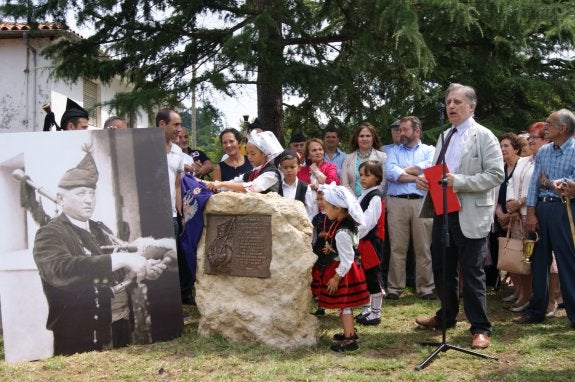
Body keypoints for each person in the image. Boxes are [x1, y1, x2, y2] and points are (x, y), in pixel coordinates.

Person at [32, 148, 163, 355]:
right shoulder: (49, 234)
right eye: (81, 193)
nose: (88, 200)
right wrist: (121, 258)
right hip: (81, 335)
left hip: (120, 324)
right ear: (60, 198)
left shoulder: (100, 229)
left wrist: (142, 269)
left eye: (91, 193)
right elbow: (59, 270)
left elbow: (118, 272)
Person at [415, 83, 504, 350]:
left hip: (471, 212)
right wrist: (426, 181)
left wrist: (460, 181)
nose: (451, 106)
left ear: (471, 106)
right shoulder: (445, 136)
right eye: (448, 102)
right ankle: (446, 317)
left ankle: (480, 328)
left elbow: (496, 175)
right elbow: (439, 172)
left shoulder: (484, 136)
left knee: (471, 271)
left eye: (457, 102)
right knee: (442, 267)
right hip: (444, 209)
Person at [515, 109, 575, 327]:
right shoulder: (544, 152)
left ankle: (573, 313)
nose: (545, 127)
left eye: (549, 123)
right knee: (539, 262)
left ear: (563, 128)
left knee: (567, 262)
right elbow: (533, 186)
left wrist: (554, 183)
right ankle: (536, 310)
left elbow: (571, 186)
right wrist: (531, 213)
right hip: (542, 209)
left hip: (565, 210)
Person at [507, 122, 562, 320]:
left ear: (546, 139)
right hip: (525, 214)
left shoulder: (556, 155)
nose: (529, 141)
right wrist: (512, 203)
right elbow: (516, 183)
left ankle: (553, 299)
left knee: (555, 260)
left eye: (534, 138)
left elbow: (548, 184)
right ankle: (532, 300)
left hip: (551, 211)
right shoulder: (524, 161)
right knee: (532, 260)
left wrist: (523, 202)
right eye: (528, 138)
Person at [385, 116, 435, 301]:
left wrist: (403, 170)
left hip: (422, 202)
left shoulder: (430, 150)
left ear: (417, 131)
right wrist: (416, 177)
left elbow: (429, 167)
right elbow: (390, 172)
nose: (401, 133)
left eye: (405, 130)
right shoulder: (392, 151)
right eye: (400, 130)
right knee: (397, 247)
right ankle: (394, 288)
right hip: (397, 202)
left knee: (423, 248)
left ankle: (426, 288)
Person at [316, 182, 369, 352]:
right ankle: (349, 331)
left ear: (338, 208)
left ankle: (350, 339)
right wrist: (331, 248)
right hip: (345, 268)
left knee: (345, 305)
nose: (325, 210)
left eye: (328, 207)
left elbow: (347, 258)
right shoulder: (344, 223)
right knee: (344, 305)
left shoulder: (342, 232)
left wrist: (336, 277)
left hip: (344, 272)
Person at [155, 108, 194, 305]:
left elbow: (177, 184)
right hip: (152, 213)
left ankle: (179, 297)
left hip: (171, 214)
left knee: (175, 255)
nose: (179, 129)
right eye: (176, 124)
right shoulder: (147, 148)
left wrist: (181, 213)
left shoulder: (178, 152)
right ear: (162, 124)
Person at [489, 133, 522, 291]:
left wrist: (509, 214)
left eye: (506, 146)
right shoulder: (499, 168)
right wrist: (499, 213)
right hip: (499, 215)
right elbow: (492, 192)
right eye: (500, 146)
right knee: (502, 250)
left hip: (517, 216)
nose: (502, 149)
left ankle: (521, 291)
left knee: (518, 252)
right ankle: (510, 288)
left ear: (516, 148)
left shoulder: (522, 165)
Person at [355, 161, 386, 326]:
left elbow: (367, 222)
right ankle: (367, 309)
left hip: (371, 243)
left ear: (378, 177)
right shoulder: (364, 194)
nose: (363, 178)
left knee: (373, 276)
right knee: (364, 276)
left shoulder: (375, 197)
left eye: (367, 175)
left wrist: (355, 235)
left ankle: (375, 313)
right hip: (363, 242)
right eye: (361, 175)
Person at [205, 130, 283, 194]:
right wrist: (199, 181)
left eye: (253, 154)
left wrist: (222, 183)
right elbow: (234, 182)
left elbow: (252, 186)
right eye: (247, 153)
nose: (249, 157)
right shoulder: (253, 172)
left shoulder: (271, 174)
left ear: (265, 153)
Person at [341, 122, 387, 198]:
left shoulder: (382, 157)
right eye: (361, 136)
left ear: (373, 138)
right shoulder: (348, 158)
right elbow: (344, 184)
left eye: (368, 136)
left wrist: (371, 198)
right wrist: (355, 202)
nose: (365, 139)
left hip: (374, 200)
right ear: (357, 138)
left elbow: (383, 183)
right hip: (353, 203)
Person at [310, 189, 334, 316]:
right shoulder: (317, 218)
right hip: (319, 250)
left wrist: (329, 235)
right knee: (319, 276)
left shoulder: (334, 215)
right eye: (318, 199)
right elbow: (315, 235)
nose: (320, 202)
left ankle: (335, 302)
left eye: (322, 199)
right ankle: (320, 305)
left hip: (332, 251)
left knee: (329, 276)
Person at [278, 151, 316, 219]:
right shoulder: (277, 187)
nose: (289, 170)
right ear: (281, 169)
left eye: (292, 167)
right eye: (285, 167)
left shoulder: (305, 188)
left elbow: (310, 212)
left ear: (299, 168)